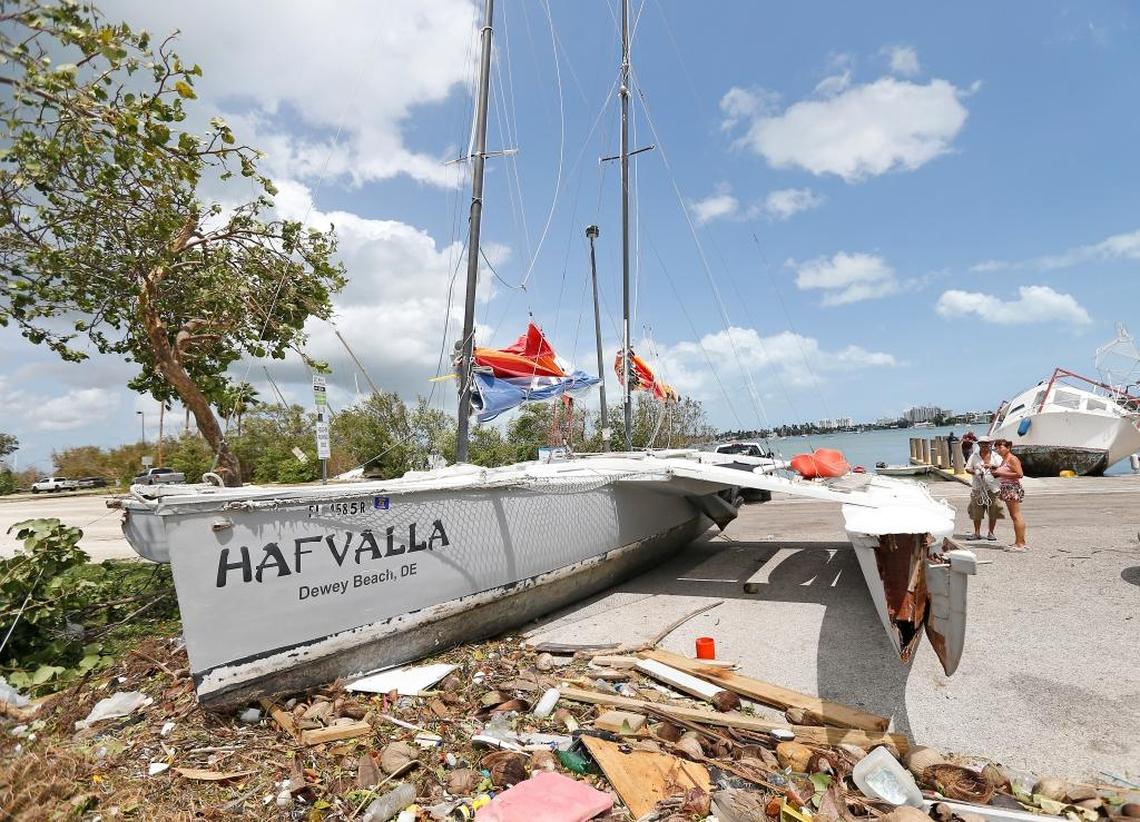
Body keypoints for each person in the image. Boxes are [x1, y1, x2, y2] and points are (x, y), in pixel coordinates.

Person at [964, 435, 1003, 541]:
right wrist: (976, 472)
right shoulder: (974, 455)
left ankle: (991, 533)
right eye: (982, 443)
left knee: (993, 511)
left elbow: (1002, 469)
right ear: (979, 444)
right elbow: (967, 468)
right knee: (976, 512)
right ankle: (977, 533)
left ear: (990, 444)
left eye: (987, 443)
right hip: (978, 487)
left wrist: (992, 467)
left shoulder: (997, 457)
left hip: (993, 488)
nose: (985, 445)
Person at [993, 439, 1028, 552]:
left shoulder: (1012, 458)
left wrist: (999, 473)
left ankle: (1020, 543)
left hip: (1011, 488)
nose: (998, 449)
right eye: (996, 447)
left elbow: (1019, 474)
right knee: (1015, 516)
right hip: (1007, 488)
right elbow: (1007, 471)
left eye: (1000, 447)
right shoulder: (1005, 459)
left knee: (1016, 516)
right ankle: (1019, 541)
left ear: (1008, 448)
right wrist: (994, 468)